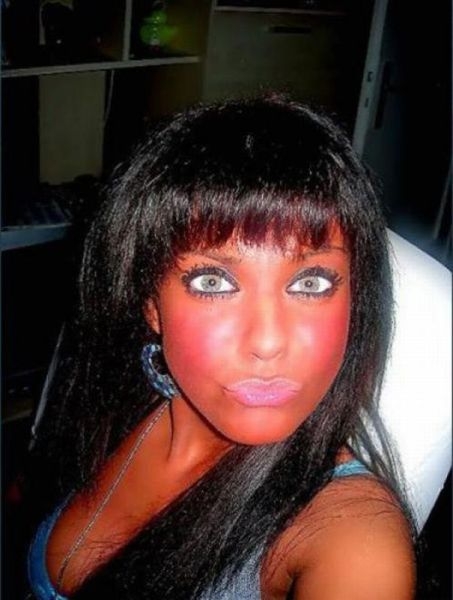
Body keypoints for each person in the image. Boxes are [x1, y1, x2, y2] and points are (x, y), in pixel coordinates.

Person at [25, 95, 416, 599]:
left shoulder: (354, 537)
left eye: (311, 283)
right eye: (213, 282)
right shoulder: (111, 399)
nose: (268, 342)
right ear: (151, 305)